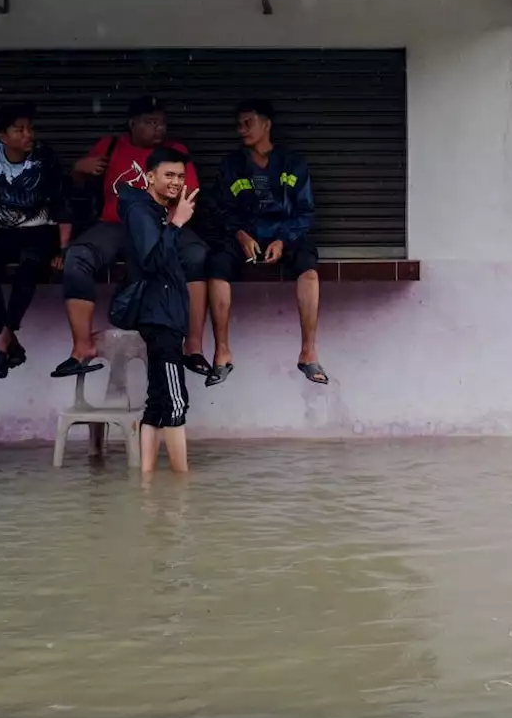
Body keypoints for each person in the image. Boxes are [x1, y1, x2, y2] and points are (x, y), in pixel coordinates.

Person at [56, 95, 212, 378]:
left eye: (162, 123)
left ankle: (194, 346)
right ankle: (82, 348)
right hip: (115, 225)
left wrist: (171, 222)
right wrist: (79, 169)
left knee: (197, 256)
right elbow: (77, 189)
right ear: (132, 123)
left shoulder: (175, 151)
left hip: (165, 223)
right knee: (77, 257)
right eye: (151, 122)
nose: (159, 129)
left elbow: (189, 193)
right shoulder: (111, 145)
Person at [207, 99, 327, 386]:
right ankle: (222, 353)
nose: (242, 130)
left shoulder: (292, 163)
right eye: (238, 125)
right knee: (215, 265)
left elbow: (305, 211)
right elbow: (221, 208)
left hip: (284, 235)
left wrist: (283, 240)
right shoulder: (232, 165)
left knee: (308, 269)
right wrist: (240, 234)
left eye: (248, 123)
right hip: (243, 236)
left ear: (267, 124)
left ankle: (308, 353)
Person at [0, 103, 71, 378]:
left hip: (41, 230)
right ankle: (8, 337)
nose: (28, 134)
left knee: (30, 267)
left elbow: (60, 202)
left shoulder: (44, 155)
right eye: (20, 129)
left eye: (30, 128)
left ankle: (2, 342)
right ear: (3, 136)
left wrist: (63, 248)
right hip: (5, 229)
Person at [117, 147, 198, 473]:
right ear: (149, 176)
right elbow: (152, 262)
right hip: (160, 316)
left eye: (180, 176)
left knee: (157, 401)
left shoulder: (154, 210)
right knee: (176, 401)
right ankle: (182, 486)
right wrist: (177, 224)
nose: (176, 182)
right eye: (169, 175)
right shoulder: (143, 211)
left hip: (163, 314)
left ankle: (146, 484)